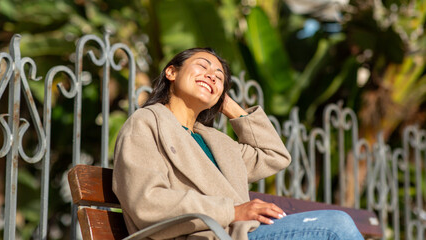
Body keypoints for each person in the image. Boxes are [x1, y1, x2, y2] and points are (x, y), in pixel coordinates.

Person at [112, 48, 364, 240]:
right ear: (171, 72)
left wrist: (230, 106)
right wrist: (231, 211)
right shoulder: (146, 123)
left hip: (239, 233)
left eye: (219, 77)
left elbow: (274, 155)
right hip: (204, 235)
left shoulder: (216, 141)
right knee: (336, 226)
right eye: (202, 66)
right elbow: (147, 201)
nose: (211, 76)